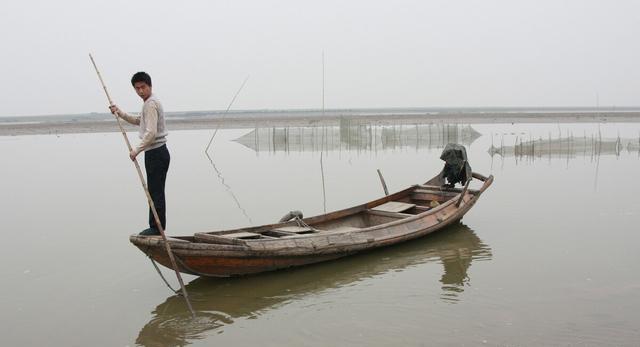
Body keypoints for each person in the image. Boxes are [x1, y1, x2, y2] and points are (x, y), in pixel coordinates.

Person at [109, 72, 169, 236]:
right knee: (154, 190)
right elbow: (139, 121)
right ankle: (156, 226)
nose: (140, 91)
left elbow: (151, 133)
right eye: (137, 88)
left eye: (143, 87)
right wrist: (120, 113)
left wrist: (136, 150)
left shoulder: (151, 104)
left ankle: (156, 227)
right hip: (157, 152)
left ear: (150, 86)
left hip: (156, 152)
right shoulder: (148, 104)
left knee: (155, 191)